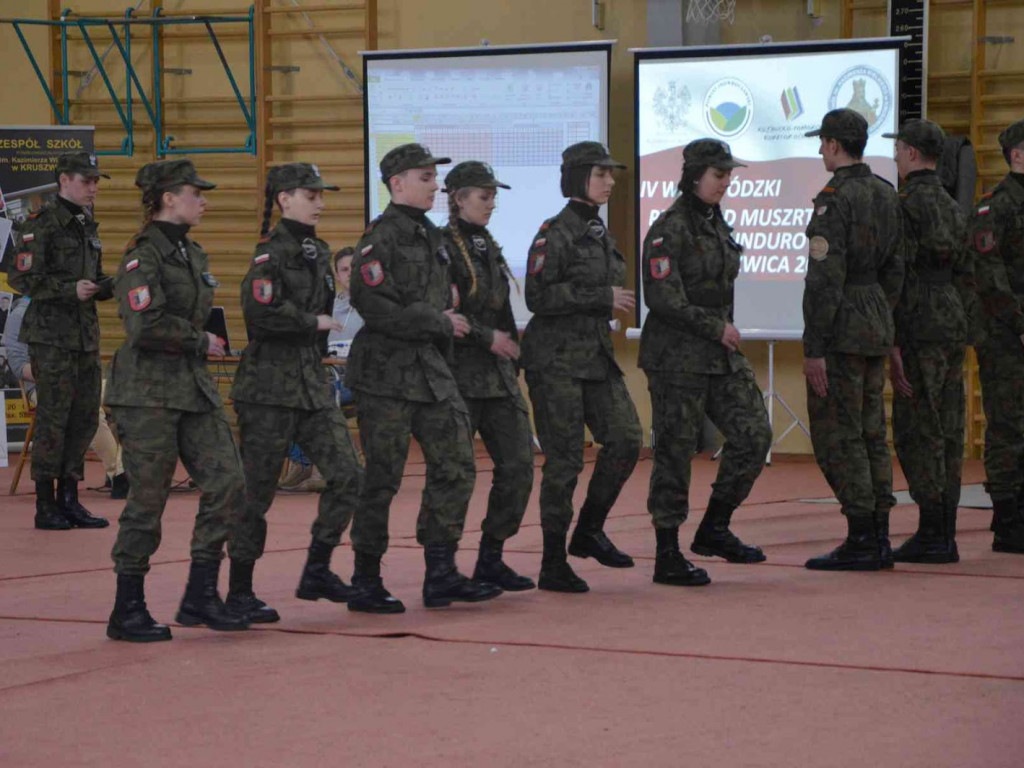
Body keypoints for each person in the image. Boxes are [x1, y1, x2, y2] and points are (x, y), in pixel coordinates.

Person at [348, 143, 502, 611]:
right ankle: (366, 580)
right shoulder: (381, 238)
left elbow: (450, 297)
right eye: (425, 177)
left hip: (431, 372)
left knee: (456, 464)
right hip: (386, 374)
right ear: (397, 184)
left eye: (435, 178)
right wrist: (438, 321)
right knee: (383, 478)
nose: (436, 185)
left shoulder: (433, 237)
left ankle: (441, 571)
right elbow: (373, 303)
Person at [105, 159, 248, 642]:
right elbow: (143, 326)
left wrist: (201, 341)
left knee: (229, 481)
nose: (204, 200)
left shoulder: (192, 254)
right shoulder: (142, 256)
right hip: (147, 394)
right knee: (147, 501)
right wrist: (198, 339)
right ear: (168, 197)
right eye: (195, 192)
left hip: (191, 389)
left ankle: (201, 595)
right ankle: (128, 609)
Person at [227, 163, 365, 623]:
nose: (321, 201)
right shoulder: (270, 254)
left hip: (311, 383)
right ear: (285, 198)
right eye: (312, 194)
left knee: (347, 475)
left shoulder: (318, 251)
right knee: (257, 492)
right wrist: (312, 323)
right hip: (268, 387)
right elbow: (260, 313)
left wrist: (318, 332)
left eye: (322, 194)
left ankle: (318, 568)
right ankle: (239, 590)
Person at [639, 139, 772, 587]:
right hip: (676, 357)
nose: (726, 182)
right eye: (719, 175)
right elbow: (661, 297)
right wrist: (714, 327)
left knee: (754, 434)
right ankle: (667, 553)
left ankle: (715, 528)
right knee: (676, 452)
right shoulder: (668, 228)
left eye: (728, 174)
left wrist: (721, 331)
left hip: (718, 354)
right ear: (695, 175)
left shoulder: (717, 224)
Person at [521, 141, 643, 593]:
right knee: (565, 461)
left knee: (627, 438)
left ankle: (588, 531)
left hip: (593, 356)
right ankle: (553, 562)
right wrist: (601, 298)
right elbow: (538, 298)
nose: (610, 182)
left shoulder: (595, 230)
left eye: (611, 174)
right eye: (600, 174)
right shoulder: (555, 231)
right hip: (555, 362)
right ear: (576, 178)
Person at [801, 109, 904, 571]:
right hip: (875, 319)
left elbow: (824, 281)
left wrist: (813, 348)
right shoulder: (886, 193)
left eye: (823, 141)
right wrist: (882, 311)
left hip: (841, 328)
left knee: (838, 435)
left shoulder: (833, 200)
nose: (820, 149)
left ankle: (862, 536)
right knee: (871, 433)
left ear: (836, 145)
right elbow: (896, 267)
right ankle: (878, 534)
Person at [441, 161, 536, 591]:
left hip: (497, 377)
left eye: (494, 196)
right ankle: (441, 567)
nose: (492, 204)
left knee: (518, 466)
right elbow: (446, 315)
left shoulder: (487, 245)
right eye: (484, 196)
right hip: (457, 376)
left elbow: (498, 311)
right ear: (459, 199)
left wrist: (512, 357)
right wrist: (487, 338)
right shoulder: (442, 249)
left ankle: (491, 557)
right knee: (456, 473)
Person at [8, 151, 114, 530]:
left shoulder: (86, 225)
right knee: (54, 418)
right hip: (51, 338)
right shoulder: (42, 224)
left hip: (85, 336)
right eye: (87, 180)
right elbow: (20, 280)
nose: (93, 188)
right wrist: (70, 290)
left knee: (84, 416)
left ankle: (70, 498)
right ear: (64, 180)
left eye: (96, 181)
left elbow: (94, 277)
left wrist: (108, 287)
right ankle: (45, 503)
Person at [883, 119, 972, 563]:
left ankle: (932, 530)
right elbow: (967, 272)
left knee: (919, 427)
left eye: (898, 149)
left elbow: (897, 274)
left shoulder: (905, 207)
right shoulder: (956, 207)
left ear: (914, 154)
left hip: (918, 324)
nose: (896, 156)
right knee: (950, 427)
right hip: (952, 320)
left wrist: (893, 340)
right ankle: (945, 530)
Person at [1, 295, 129, 498]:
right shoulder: (20, 314)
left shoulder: (69, 304)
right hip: (44, 386)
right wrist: (56, 374)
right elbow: (17, 365)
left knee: (132, 395)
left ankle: (124, 470)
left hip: (83, 380)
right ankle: (119, 475)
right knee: (87, 407)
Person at [968, 117, 1024, 554]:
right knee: (1009, 426)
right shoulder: (996, 205)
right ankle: (1008, 521)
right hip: (1006, 335)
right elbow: (989, 275)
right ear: (1017, 156)